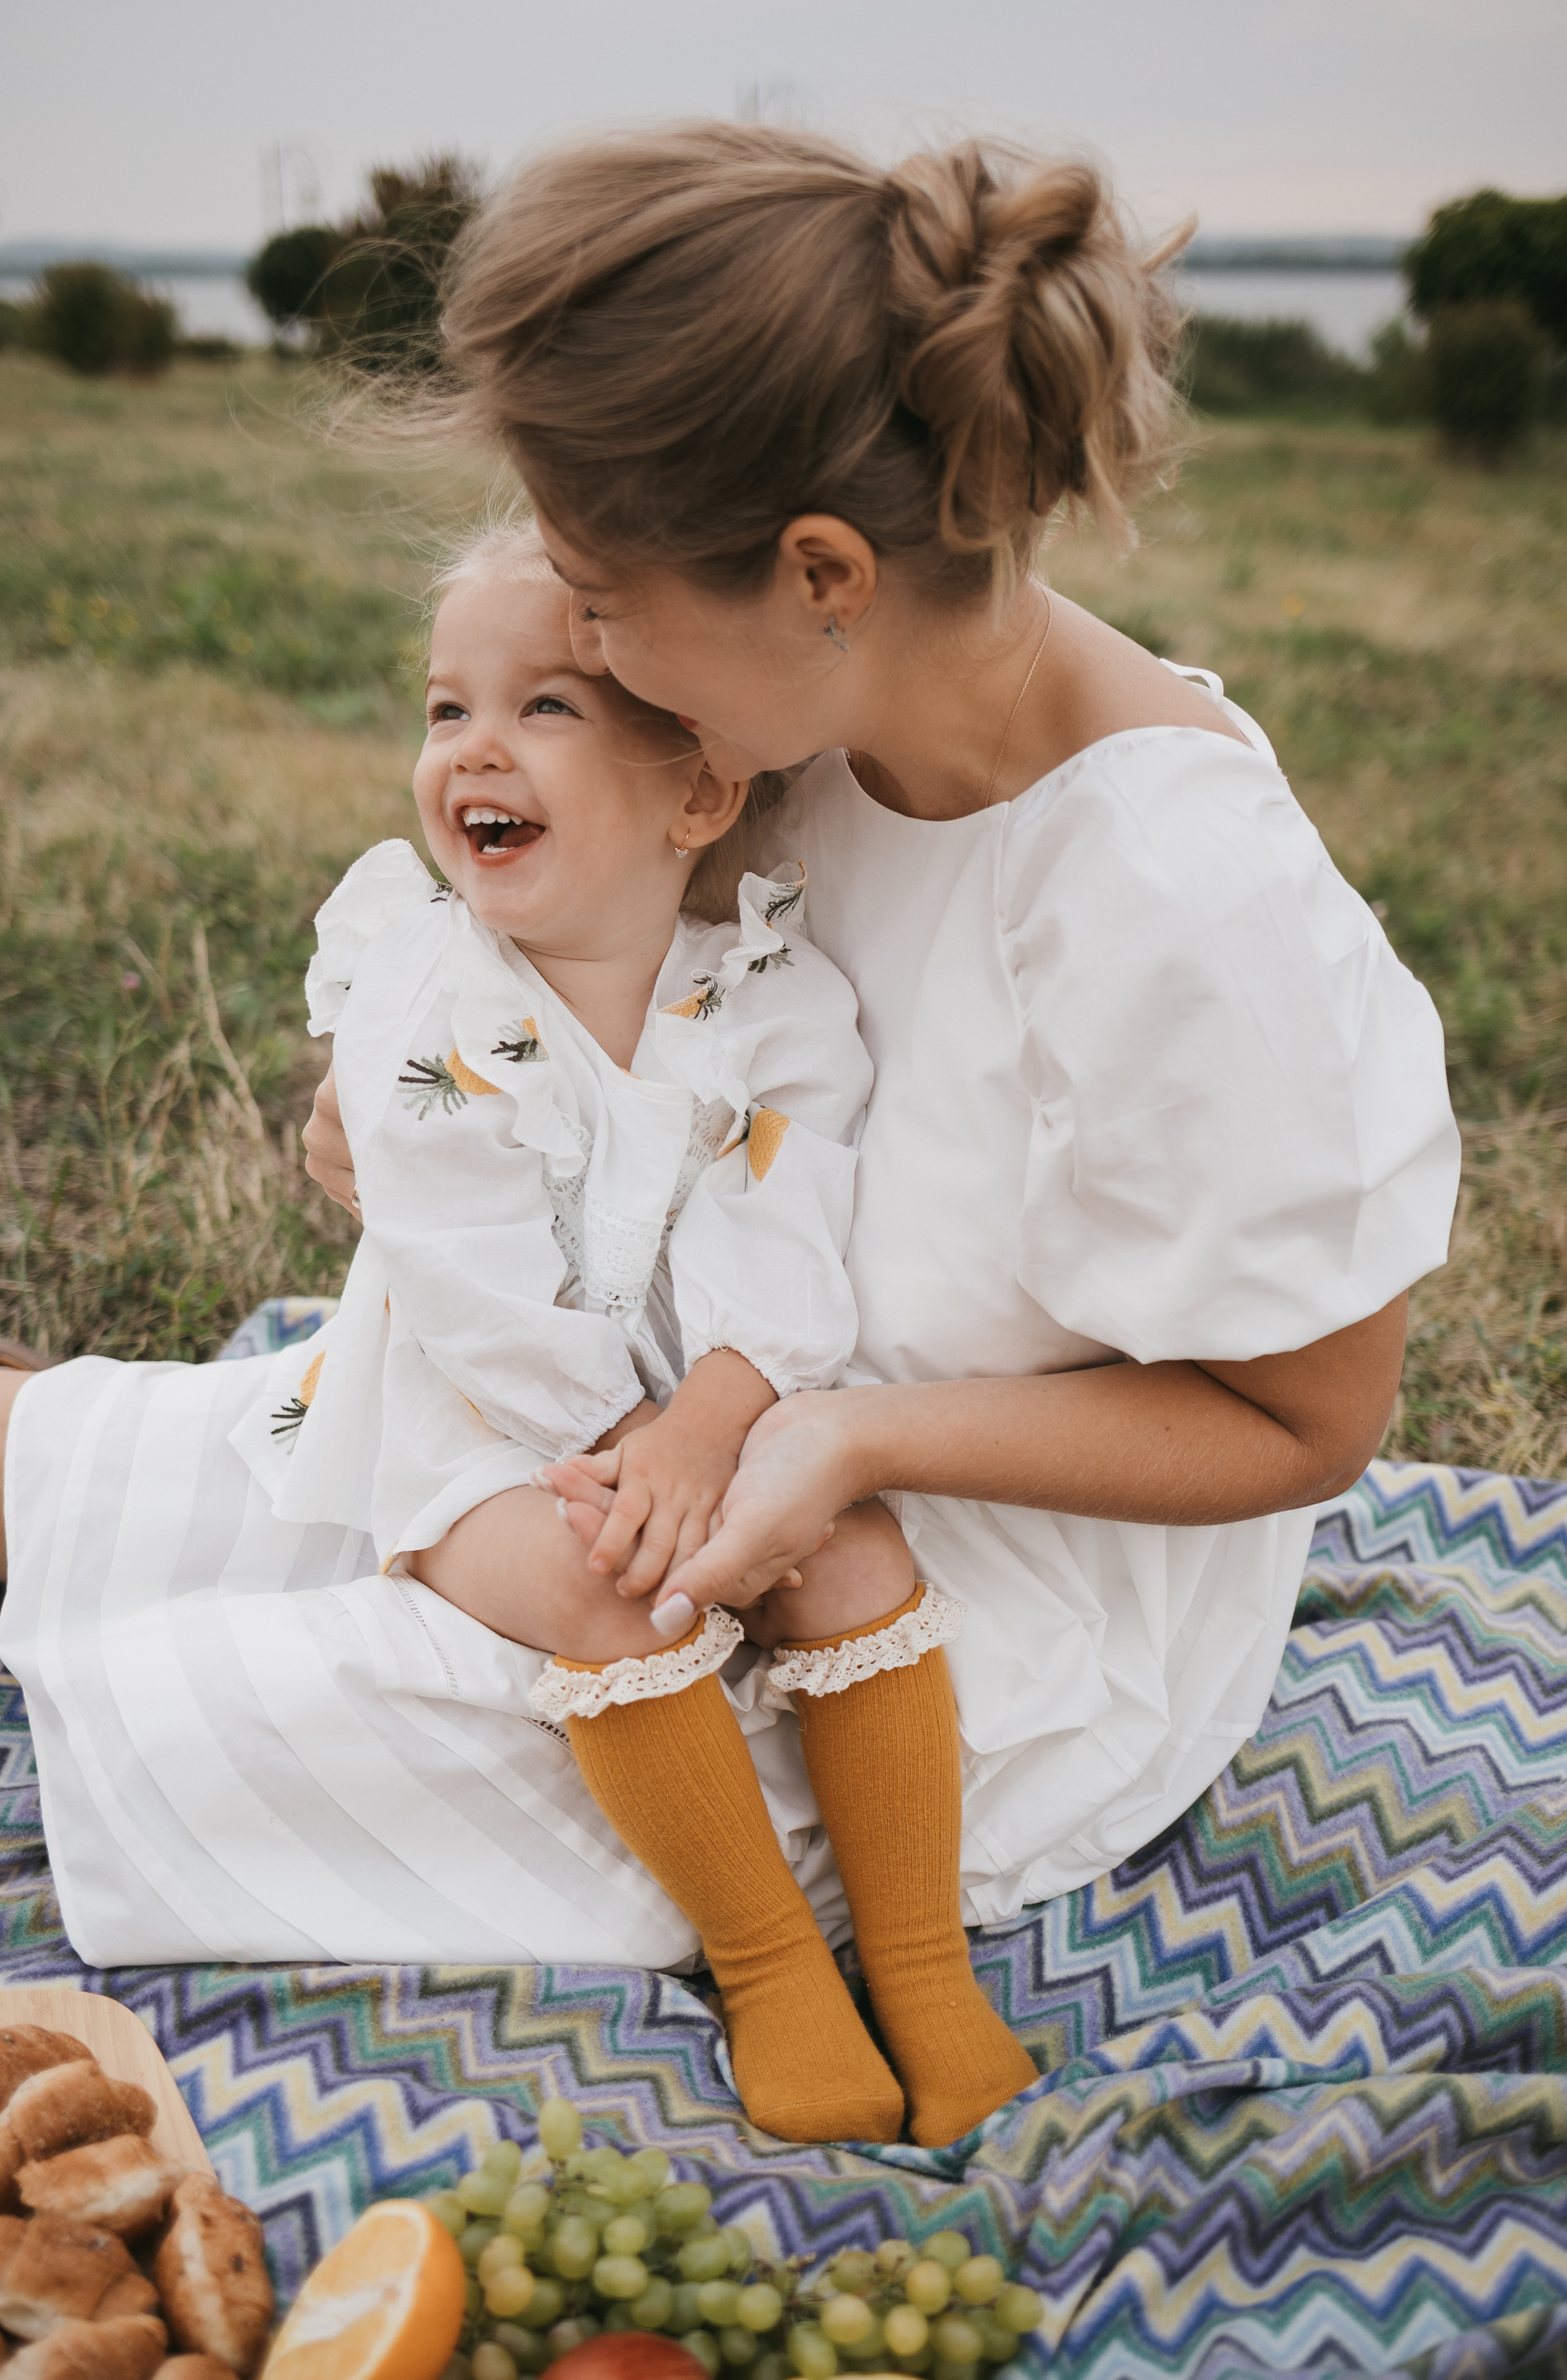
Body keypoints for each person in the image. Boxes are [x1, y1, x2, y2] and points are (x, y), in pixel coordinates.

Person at [0, 123, 1457, 2141]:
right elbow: (628, 974)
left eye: (601, 603)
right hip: (674, 1393)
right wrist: (426, 1061)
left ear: (821, 574)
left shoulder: (1180, 906)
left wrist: (844, 1436)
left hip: (971, 1570)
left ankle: (853, 1951)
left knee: (231, 1712)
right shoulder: (823, 718)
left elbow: (1310, 1424)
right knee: (141, 1457)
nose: (584, 655)